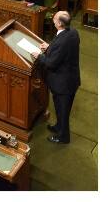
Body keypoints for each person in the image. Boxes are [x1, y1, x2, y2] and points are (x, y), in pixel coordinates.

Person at [31, 11, 80, 144]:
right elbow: (63, 50)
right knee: (60, 109)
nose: (52, 18)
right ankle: (59, 127)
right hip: (70, 79)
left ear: (59, 23)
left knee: (62, 110)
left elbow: (52, 63)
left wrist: (40, 56)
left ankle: (63, 137)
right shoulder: (73, 32)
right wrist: (49, 47)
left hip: (64, 84)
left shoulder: (62, 40)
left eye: (55, 17)